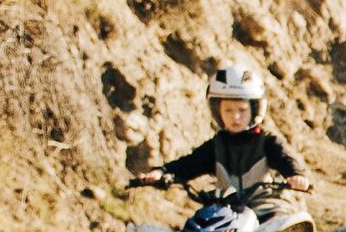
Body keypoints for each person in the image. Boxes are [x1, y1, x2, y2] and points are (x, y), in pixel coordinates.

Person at [133, 61, 310, 211]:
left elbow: (287, 160)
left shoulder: (266, 141)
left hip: (264, 207)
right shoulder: (217, 146)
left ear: (255, 109)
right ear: (218, 111)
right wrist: (162, 173)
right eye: (228, 110)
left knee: (287, 225)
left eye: (242, 110)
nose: (235, 116)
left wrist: (296, 176)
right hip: (227, 209)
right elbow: (189, 164)